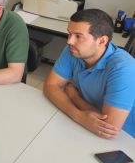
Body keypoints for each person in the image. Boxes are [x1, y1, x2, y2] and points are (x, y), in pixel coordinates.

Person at [44, 9, 135, 139]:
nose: (69, 41)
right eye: (69, 34)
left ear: (102, 41)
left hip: (125, 140)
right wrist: (78, 115)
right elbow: (51, 86)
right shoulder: (74, 50)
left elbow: (108, 127)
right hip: (87, 127)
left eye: (78, 36)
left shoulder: (124, 69)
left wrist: (74, 97)